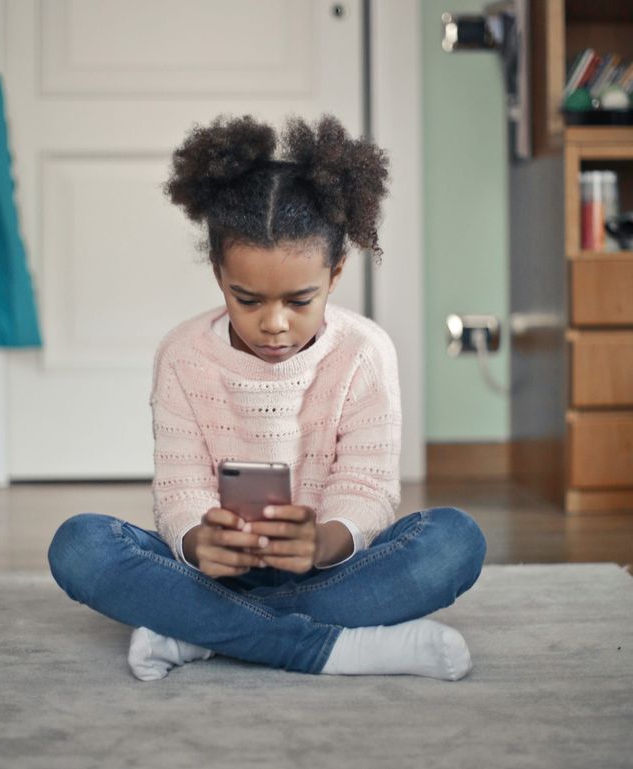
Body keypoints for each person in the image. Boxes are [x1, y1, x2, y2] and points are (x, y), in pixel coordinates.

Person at [47, 114, 486, 682]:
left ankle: (199, 634)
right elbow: (180, 489)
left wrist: (322, 544)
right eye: (247, 300)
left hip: (330, 568)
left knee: (455, 543)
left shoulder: (364, 352)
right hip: (213, 573)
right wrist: (198, 540)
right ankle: (336, 648)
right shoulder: (182, 355)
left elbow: (369, 490)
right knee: (79, 546)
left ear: (335, 273)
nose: (273, 324)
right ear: (218, 275)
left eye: (300, 300)